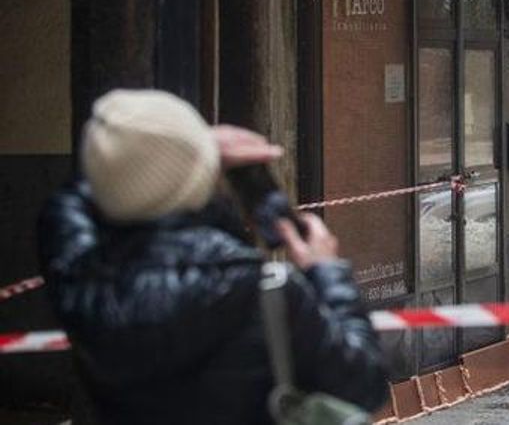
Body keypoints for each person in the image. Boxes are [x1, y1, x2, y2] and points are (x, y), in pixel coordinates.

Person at [37, 89, 389, 424]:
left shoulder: (83, 285)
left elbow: (70, 202)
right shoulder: (266, 292)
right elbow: (364, 382)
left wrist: (161, 158)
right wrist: (326, 270)